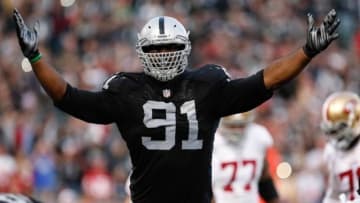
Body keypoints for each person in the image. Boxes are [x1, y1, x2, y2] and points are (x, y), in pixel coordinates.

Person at [12, 7, 340, 203]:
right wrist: (35, 57)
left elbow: (265, 81)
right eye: (157, 49)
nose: (164, 54)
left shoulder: (204, 85)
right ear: (142, 52)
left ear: (185, 48)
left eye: (170, 47)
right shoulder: (132, 90)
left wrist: (307, 52)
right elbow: (68, 98)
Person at [212, 111, 280, 203]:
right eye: (232, 126)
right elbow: (203, 186)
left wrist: (274, 199)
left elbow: (264, 177)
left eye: (241, 125)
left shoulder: (258, 136)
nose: (236, 130)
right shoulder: (213, 141)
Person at [320, 92, 360, 203]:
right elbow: (333, 194)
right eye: (332, 131)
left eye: (339, 129)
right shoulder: (331, 152)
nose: (336, 136)